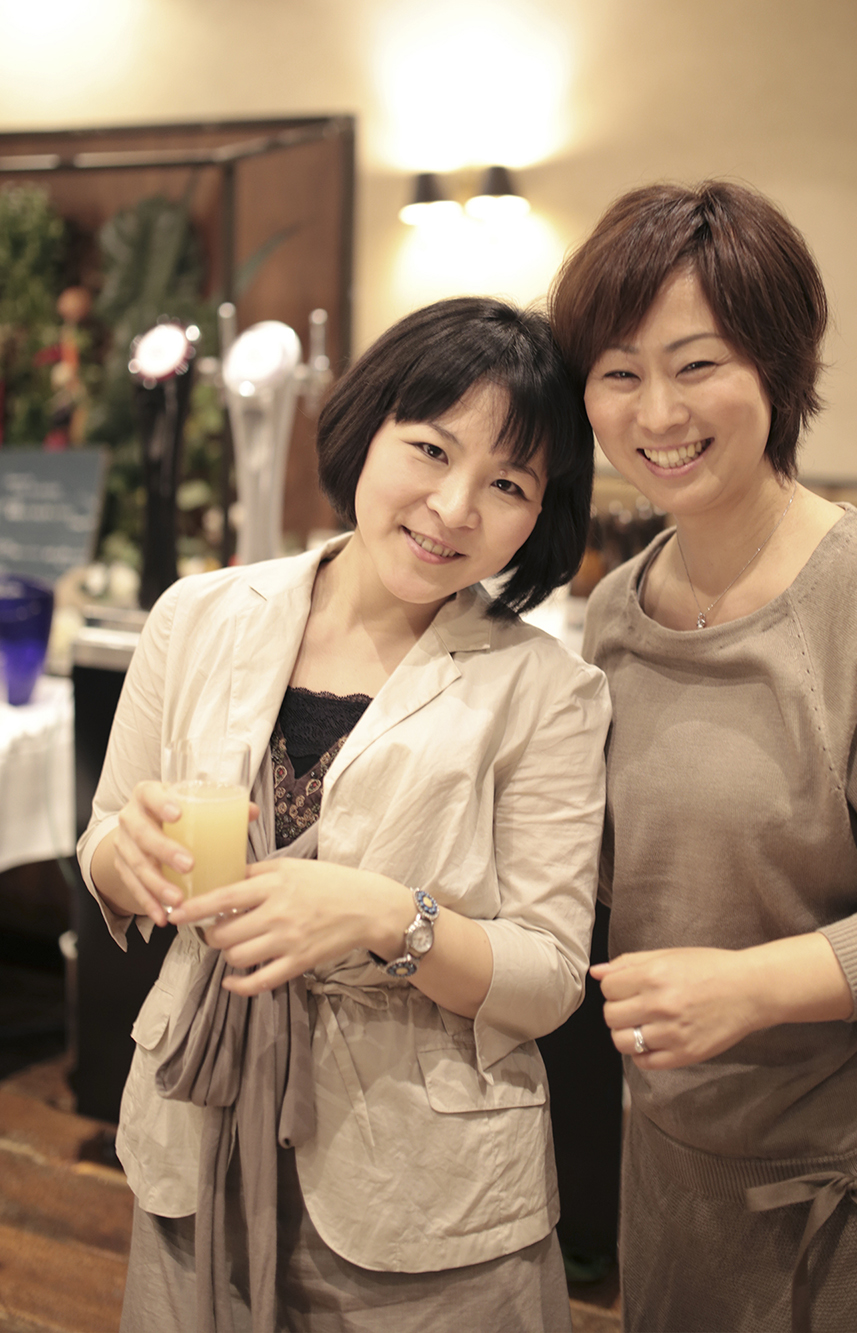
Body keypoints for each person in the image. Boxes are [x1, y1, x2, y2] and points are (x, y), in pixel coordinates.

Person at [77, 296, 611, 1333]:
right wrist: (121, 861)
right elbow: (104, 833)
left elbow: (549, 975)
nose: (454, 506)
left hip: (421, 1187)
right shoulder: (199, 616)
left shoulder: (549, 690)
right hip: (196, 1127)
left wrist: (383, 916)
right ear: (368, 427)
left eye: (507, 484)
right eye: (431, 449)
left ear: (540, 514)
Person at [549, 181, 857, 1332]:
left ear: (779, 367)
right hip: (674, 1172)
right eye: (618, 372)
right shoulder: (616, 612)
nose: (657, 411)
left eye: (696, 364)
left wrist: (753, 988)